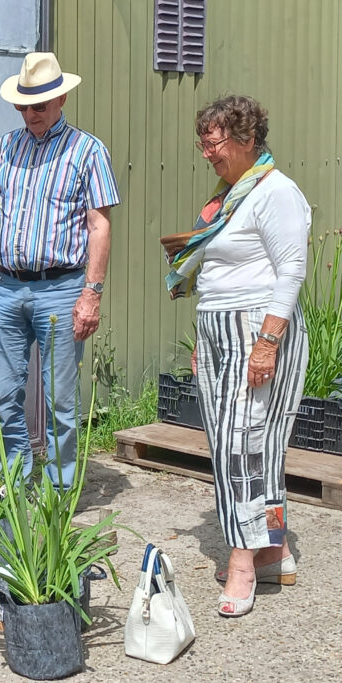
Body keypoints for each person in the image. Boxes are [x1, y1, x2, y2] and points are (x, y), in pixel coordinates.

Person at [163, 95, 309, 618]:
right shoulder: (232, 197)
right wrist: (205, 340)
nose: (207, 153)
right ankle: (275, 549)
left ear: (248, 139)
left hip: (258, 329)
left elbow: (290, 271)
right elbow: (218, 277)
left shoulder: (277, 193)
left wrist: (266, 342)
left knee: (240, 448)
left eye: (215, 142)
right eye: (202, 142)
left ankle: (244, 560)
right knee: (254, 448)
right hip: (222, 328)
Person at [0, 52, 120, 489]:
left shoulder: (88, 151)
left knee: (60, 402)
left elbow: (99, 224)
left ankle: (57, 493)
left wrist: (91, 293)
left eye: (39, 105)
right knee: (5, 395)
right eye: (23, 105)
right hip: (9, 286)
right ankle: (16, 485)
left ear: (62, 99)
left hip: (61, 287)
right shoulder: (5, 147)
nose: (31, 114)